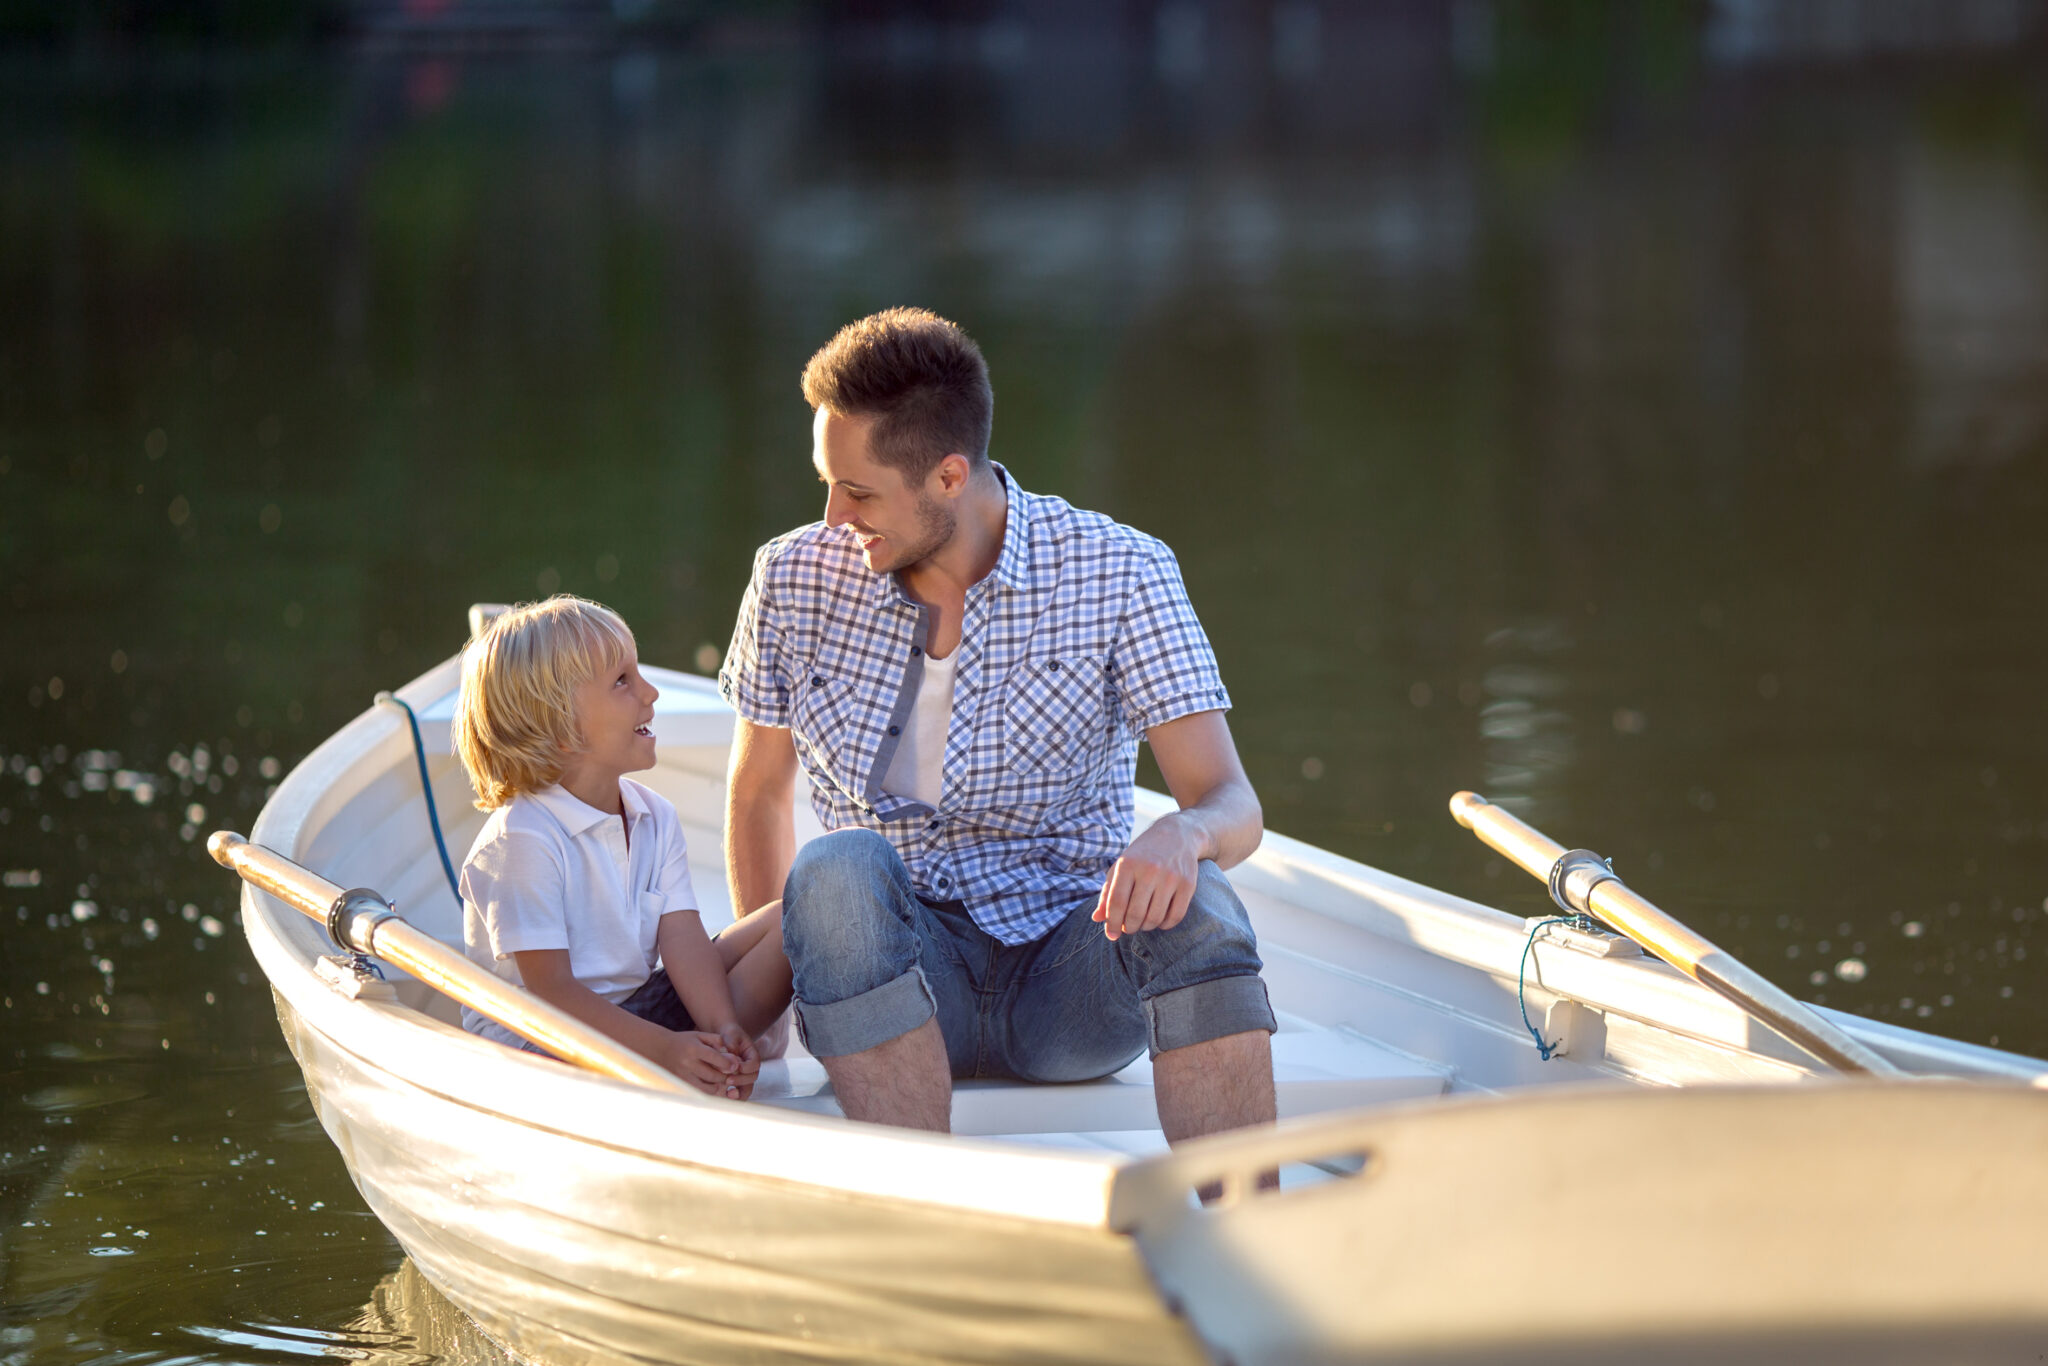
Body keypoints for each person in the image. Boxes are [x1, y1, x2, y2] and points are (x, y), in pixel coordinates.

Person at [719, 307, 1276, 1138]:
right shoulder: (793, 577)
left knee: (1206, 902)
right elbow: (760, 793)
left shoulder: (1120, 569)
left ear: (949, 476)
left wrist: (1185, 835)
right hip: (899, 973)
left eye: (859, 491)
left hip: (1070, 983)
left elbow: (1232, 801)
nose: (834, 516)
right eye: (826, 482)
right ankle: (922, 1205)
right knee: (838, 868)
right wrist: (757, 1017)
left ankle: (1246, 1235)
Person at [451, 595, 791, 1098]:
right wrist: (665, 1051)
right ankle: (686, 1064)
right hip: (547, 1050)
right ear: (559, 725)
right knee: (597, 1043)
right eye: (622, 682)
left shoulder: (655, 816)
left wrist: (722, 1026)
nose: (651, 693)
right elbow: (553, 995)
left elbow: (683, 940)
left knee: (795, 917)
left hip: (637, 1014)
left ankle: (721, 1053)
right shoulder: (520, 840)